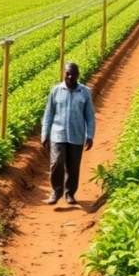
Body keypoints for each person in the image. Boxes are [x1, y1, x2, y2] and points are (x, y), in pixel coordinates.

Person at [41, 62, 95, 205]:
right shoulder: (56, 90)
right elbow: (49, 113)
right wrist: (45, 134)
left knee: (73, 167)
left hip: (77, 135)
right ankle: (56, 192)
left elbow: (90, 116)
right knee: (57, 163)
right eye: (67, 74)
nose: (70, 76)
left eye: (73, 74)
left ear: (78, 75)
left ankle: (70, 193)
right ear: (64, 74)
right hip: (58, 134)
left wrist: (90, 135)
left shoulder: (85, 92)